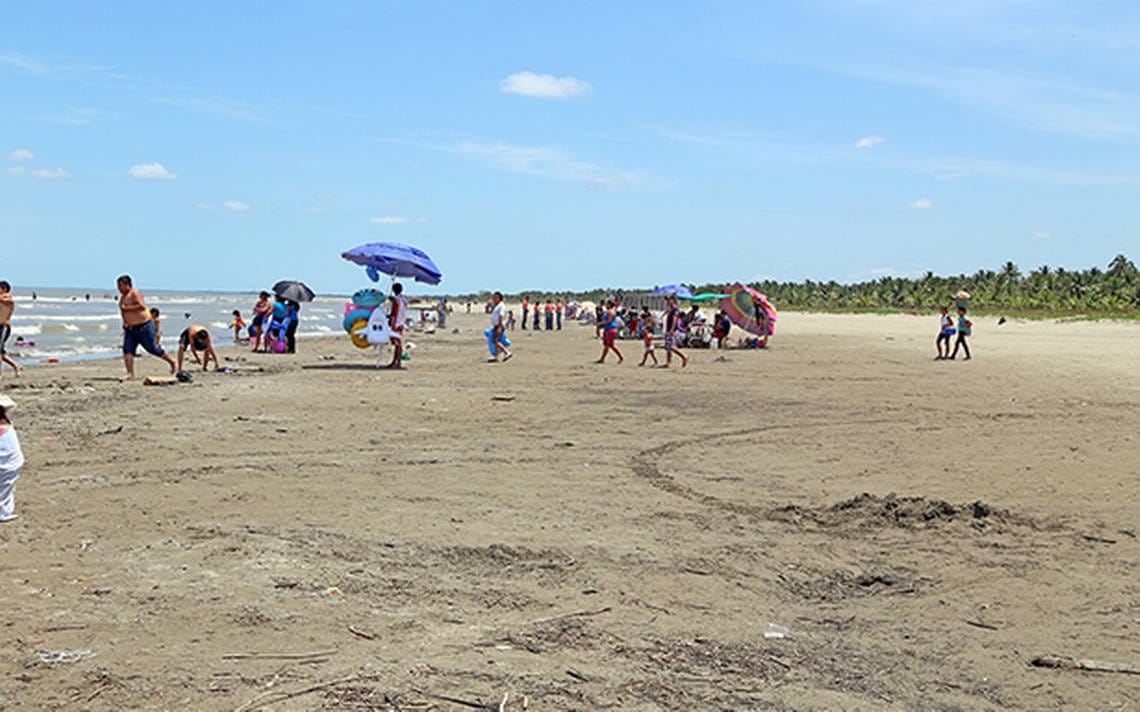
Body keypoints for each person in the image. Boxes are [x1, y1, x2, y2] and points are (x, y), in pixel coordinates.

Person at [117, 275, 176, 380]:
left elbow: (141, 306)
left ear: (128, 285)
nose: (119, 288)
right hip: (130, 329)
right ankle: (130, 373)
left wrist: (127, 308)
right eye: (118, 286)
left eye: (120, 286)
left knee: (152, 348)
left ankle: (172, 362)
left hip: (144, 326)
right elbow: (123, 312)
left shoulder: (134, 293)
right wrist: (125, 322)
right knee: (127, 349)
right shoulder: (122, 298)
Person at [0, 394, 24, 523]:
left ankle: (3, 513)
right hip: (12, 464)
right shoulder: (6, 423)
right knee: (5, 490)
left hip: (6, 465)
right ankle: (4, 510)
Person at [0, 282, 22, 378]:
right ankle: (16, 366)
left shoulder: (9, 299)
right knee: (2, 353)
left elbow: (5, 301)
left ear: (4, 289)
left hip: (3, 328)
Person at [486, 292, 513, 363]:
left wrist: (499, 327)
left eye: (495, 297)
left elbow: (501, 316)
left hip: (499, 325)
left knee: (495, 341)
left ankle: (507, 352)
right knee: (496, 341)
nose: (493, 299)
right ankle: (496, 357)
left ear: (499, 298)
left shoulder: (501, 306)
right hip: (496, 325)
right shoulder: (497, 306)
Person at [663, 296, 689, 368]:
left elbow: (675, 320)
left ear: (673, 300)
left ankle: (684, 357)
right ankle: (668, 362)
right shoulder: (671, 309)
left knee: (671, 346)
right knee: (668, 347)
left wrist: (672, 329)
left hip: (672, 330)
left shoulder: (675, 309)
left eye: (668, 300)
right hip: (669, 329)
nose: (667, 302)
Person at [595, 300, 624, 364]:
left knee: (611, 345)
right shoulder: (607, 311)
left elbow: (609, 321)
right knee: (606, 345)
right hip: (607, 329)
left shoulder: (611, 312)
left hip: (611, 329)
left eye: (607, 304)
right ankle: (602, 359)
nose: (605, 305)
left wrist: (601, 324)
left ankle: (621, 357)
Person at [387, 283, 408, 369]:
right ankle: (395, 361)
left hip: (396, 323)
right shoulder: (403, 299)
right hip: (401, 322)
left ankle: (398, 362)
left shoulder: (397, 300)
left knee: (397, 343)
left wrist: (389, 318)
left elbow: (394, 312)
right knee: (397, 343)